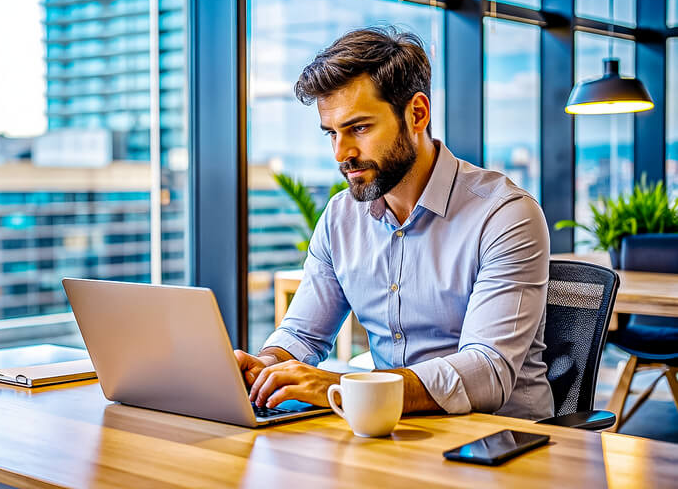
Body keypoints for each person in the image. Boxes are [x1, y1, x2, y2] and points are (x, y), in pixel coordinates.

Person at [235, 27, 553, 420]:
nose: (342, 153)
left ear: (417, 114)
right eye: (331, 133)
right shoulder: (340, 219)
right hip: (391, 434)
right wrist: (267, 365)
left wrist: (343, 389)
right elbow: (302, 335)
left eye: (359, 128)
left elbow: (487, 371)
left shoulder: (504, 215)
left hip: (501, 449)